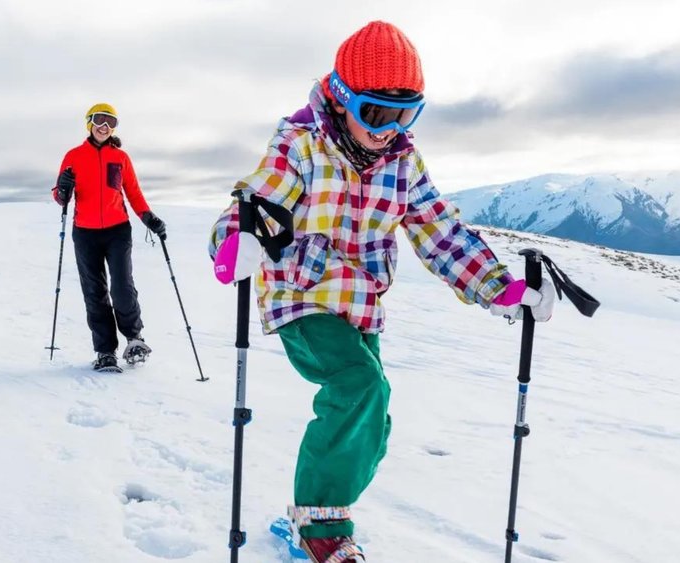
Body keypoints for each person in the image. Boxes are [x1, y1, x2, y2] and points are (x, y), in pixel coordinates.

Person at [208, 21, 555, 562]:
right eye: (376, 112)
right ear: (343, 99)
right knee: (359, 387)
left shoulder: (403, 163)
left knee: (376, 415)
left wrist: (501, 289)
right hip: (300, 294)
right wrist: (236, 244)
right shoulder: (300, 147)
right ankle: (322, 528)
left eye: (406, 113)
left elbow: (440, 231)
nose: (389, 127)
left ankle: (311, 511)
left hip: (361, 306)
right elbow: (252, 207)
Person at [52, 102, 167, 372]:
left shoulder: (121, 158)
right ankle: (105, 351)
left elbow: (134, 193)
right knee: (95, 292)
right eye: (100, 120)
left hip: (117, 230)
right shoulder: (73, 155)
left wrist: (149, 218)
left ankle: (135, 339)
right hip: (85, 233)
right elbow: (61, 197)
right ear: (89, 123)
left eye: (111, 122)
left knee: (122, 287)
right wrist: (63, 189)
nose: (104, 127)